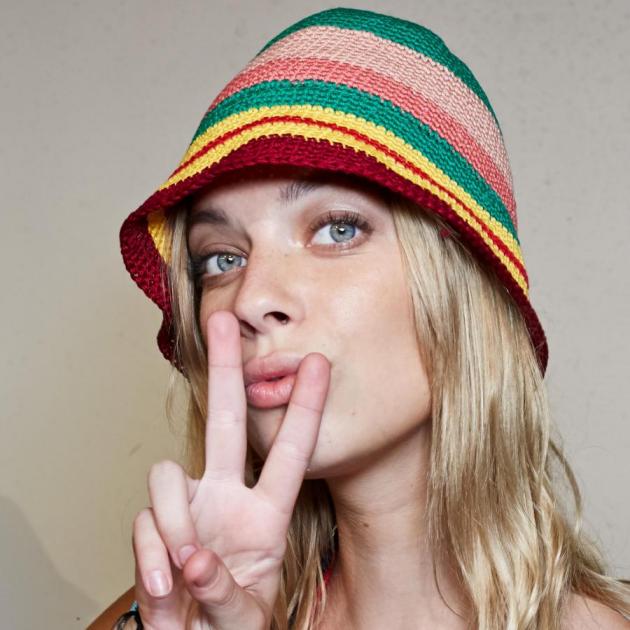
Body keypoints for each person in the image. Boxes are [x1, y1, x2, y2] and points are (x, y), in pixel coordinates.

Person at [89, 7, 630, 629]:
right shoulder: (160, 616)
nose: (249, 299)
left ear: (460, 287)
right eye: (222, 258)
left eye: (337, 229)